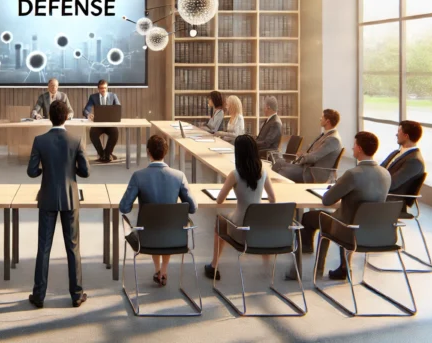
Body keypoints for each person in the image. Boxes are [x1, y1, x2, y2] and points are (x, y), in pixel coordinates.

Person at [287, 131, 390, 281]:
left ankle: (300, 264)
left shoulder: (353, 174)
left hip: (347, 229)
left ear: (360, 149)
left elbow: (327, 200)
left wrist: (336, 189)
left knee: (309, 217)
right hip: (374, 229)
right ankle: (343, 266)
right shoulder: (386, 174)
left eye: (354, 145)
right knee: (341, 216)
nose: (352, 148)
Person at [27, 100, 90, 308]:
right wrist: (72, 170)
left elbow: (31, 171)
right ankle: (76, 294)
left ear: (49, 117)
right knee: (73, 248)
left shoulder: (39, 140)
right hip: (70, 199)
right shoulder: (76, 139)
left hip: (47, 199)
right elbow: (86, 171)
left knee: (43, 248)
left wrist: (45, 170)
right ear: (66, 117)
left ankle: (39, 295)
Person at [119, 135, 197, 286]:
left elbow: (124, 207)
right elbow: (193, 208)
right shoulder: (179, 176)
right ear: (166, 152)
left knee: (154, 226)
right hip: (175, 239)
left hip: (146, 239)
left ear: (148, 152)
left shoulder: (138, 176)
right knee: (166, 225)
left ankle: (157, 270)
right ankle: (163, 270)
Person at [205, 135, 276, 280]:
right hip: (258, 229)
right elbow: (273, 199)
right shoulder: (263, 173)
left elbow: (219, 200)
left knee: (220, 222)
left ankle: (214, 265)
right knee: (261, 222)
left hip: (240, 229)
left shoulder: (235, 174)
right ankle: (266, 267)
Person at [272, 109, 343, 183]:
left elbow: (314, 157)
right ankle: (268, 191)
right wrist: (303, 156)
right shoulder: (326, 135)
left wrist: (302, 157)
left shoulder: (333, 139)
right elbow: (312, 151)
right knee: (278, 162)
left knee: (282, 171)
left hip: (314, 173)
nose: (320, 119)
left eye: (322, 117)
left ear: (327, 121)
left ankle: (276, 192)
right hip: (307, 167)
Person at [382, 120, 426, 211]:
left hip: (392, 200)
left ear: (406, 136)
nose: (396, 134)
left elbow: (392, 184)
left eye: (399, 131)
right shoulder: (397, 152)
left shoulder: (415, 161)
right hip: (383, 194)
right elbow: (379, 169)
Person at [83, 79, 120, 163]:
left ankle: (107, 154)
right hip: (98, 124)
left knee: (115, 133)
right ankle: (102, 154)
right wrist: (88, 114)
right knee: (92, 133)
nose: (103, 90)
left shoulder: (113, 96)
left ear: (107, 88)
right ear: (98, 89)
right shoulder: (93, 97)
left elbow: (118, 109)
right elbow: (86, 110)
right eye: (101, 88)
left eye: (105, 88)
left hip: (109, 124)